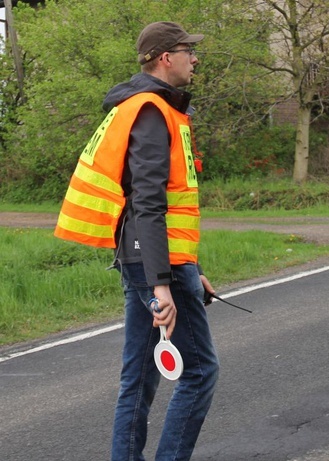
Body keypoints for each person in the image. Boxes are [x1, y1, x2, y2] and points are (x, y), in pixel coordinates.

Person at [53, 21, 219, 460]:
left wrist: (193, 268)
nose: (195, 58)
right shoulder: (150, 109)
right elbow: (147, 202)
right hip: (156, 265)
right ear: (166, 57)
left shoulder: (152, 107)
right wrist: (162, 281)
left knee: (140, 379)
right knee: (200, 372)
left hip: (150, 260)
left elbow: (162, 201)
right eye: (189, 50)